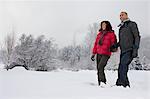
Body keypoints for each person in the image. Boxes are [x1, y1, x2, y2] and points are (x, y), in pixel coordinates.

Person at [114, 12, 141, 87]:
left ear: (126, 16)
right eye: (120, 15)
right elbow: (122, 41)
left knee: (123, 66)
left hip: (130, 49)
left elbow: (137, 37)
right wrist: (115, 45)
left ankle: (122, 84)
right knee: (121, 67)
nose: (121, 16)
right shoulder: (121, 28)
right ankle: (123, 84)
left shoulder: (132, 24)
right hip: (123, 51)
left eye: (122, 15)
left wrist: (135, 49)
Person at [91, 21, 117, 86]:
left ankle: (103, 82)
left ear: (107, 26)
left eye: (104, 25)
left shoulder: (111, 34)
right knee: (98, 68)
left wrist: (113, 46)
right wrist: (93, 53)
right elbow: (96, 44)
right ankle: (100, 82)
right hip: (99, 53)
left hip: (106, 53)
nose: (103, 26)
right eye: (102, 25)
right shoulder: (99, 34)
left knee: (100, 66)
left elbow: (114, 43)